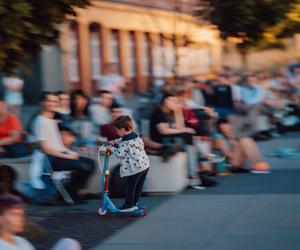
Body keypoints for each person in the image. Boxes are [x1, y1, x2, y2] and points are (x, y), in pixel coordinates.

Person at [32, 92, 95, 202]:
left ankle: (71, 192)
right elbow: (45, 149)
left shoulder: (52, 120)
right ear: (42, 103)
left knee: (91, 163)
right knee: (84, 167)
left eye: (55, 101)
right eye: (50, 101)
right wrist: (68, 156)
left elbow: (57, 144)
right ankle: (70, 194)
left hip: (60, 155)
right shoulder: (41, 121)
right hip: (51, 159)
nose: (53, 104)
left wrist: (70, 153)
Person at [0, 195, 82, 250]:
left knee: (69, 243)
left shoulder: (20, 241)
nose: (21, 219)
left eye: (21, 215)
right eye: (15, 215)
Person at [109, 116, 150, 212]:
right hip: (144, 166)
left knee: (130, 188)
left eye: (117, 130)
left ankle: (128, 205)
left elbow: (119, 154)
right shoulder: (135, 136)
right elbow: (122, 139)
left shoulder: (125, 143)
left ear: (122, 129)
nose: (116, 132)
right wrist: (115, 141)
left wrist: (110, 148)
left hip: (135, 169)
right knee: (138, 188)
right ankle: (134, 203)